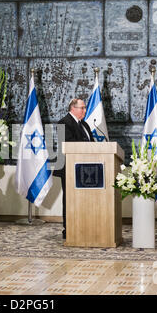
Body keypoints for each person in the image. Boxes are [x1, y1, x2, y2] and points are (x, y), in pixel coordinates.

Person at [53, 98, 94, 239]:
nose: (84, 110)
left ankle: (83, 225)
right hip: (69, 168)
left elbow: (92, 145)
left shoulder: (85, 125)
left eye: (84, 108)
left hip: (87, 169)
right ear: (72, 108)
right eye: (81, 108)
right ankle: (69, 228)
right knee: (69, 199)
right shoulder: (64, 122)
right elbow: (68, 144)